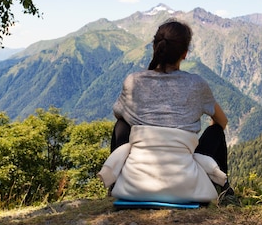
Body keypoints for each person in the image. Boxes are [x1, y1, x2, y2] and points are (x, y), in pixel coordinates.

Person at [97, 19, 239, 206]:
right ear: (185, 53)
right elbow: (222, 121)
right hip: (186, 181)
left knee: (121, 126)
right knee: (216, 132)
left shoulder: (133, 81)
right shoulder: (197, 84)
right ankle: (224, 192)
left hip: (135, 184)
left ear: (155, 48)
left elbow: (120, 116)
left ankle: (115, 184)